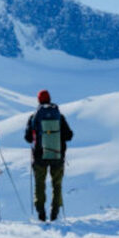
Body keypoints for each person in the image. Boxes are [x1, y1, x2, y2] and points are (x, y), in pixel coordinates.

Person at [24, 89, 74, 221]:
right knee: (57, 184)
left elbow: (27, 138)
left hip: (40, 156)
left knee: (39, 184)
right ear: (50, 99)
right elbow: (69, 135)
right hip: (57, 156)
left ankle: (41, 212)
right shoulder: (59, 116)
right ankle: (55, 211)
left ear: (39, 100)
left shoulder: (34, 117)